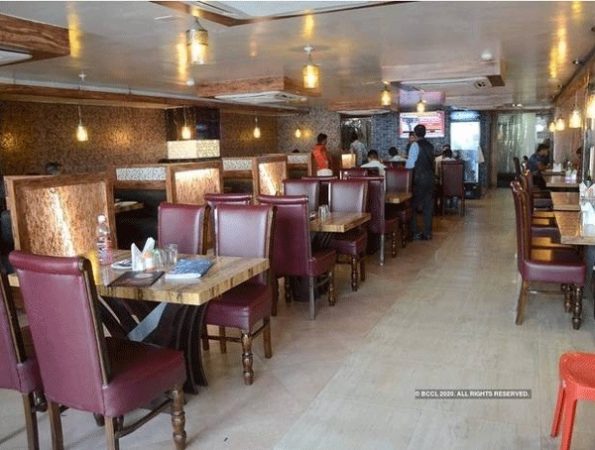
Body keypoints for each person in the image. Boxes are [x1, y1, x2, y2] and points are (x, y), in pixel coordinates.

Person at [405, 124, 435, 240]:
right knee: (428, 206)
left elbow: (410, 165)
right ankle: (427, 233)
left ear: (415, 134)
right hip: (430, 179)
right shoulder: (430, 146)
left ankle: (415, 231)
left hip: (418, 179)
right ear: (425, 133)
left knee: (412, 205)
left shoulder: (415, 145)